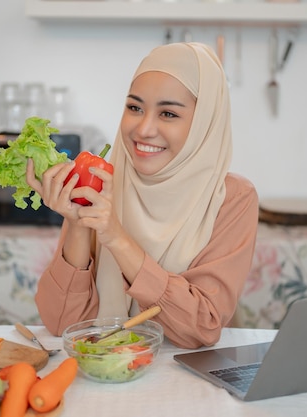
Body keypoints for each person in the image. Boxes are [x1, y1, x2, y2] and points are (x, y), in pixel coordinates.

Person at [26, 42, 258, 349]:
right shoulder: (101, 183)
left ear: (205, 122)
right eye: (134, 108)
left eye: (168, 114)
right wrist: (79, 223)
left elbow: (201, 328)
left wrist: (117, 238)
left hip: (194, 380)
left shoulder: (232, 198)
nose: (144, 129)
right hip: (109, 376)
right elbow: (62, 324)